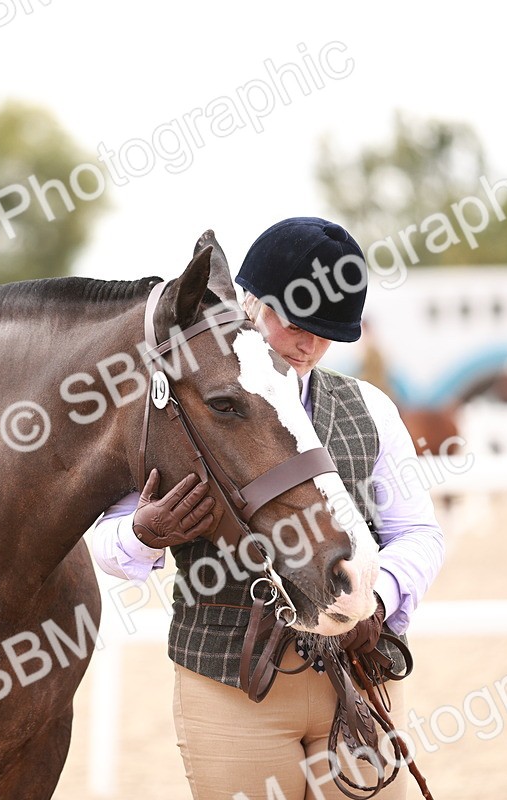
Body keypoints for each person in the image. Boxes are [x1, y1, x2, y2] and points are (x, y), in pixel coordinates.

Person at [90, 217, 445, 800]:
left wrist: (377, 600)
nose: (308, 344)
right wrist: (143, 533)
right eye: (295, 322)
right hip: (231, 683)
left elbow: (418, 533)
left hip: (357, 678)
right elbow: (105, 545)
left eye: (327, 333)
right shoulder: (184, 405)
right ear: (249, 303)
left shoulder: (370, 409)